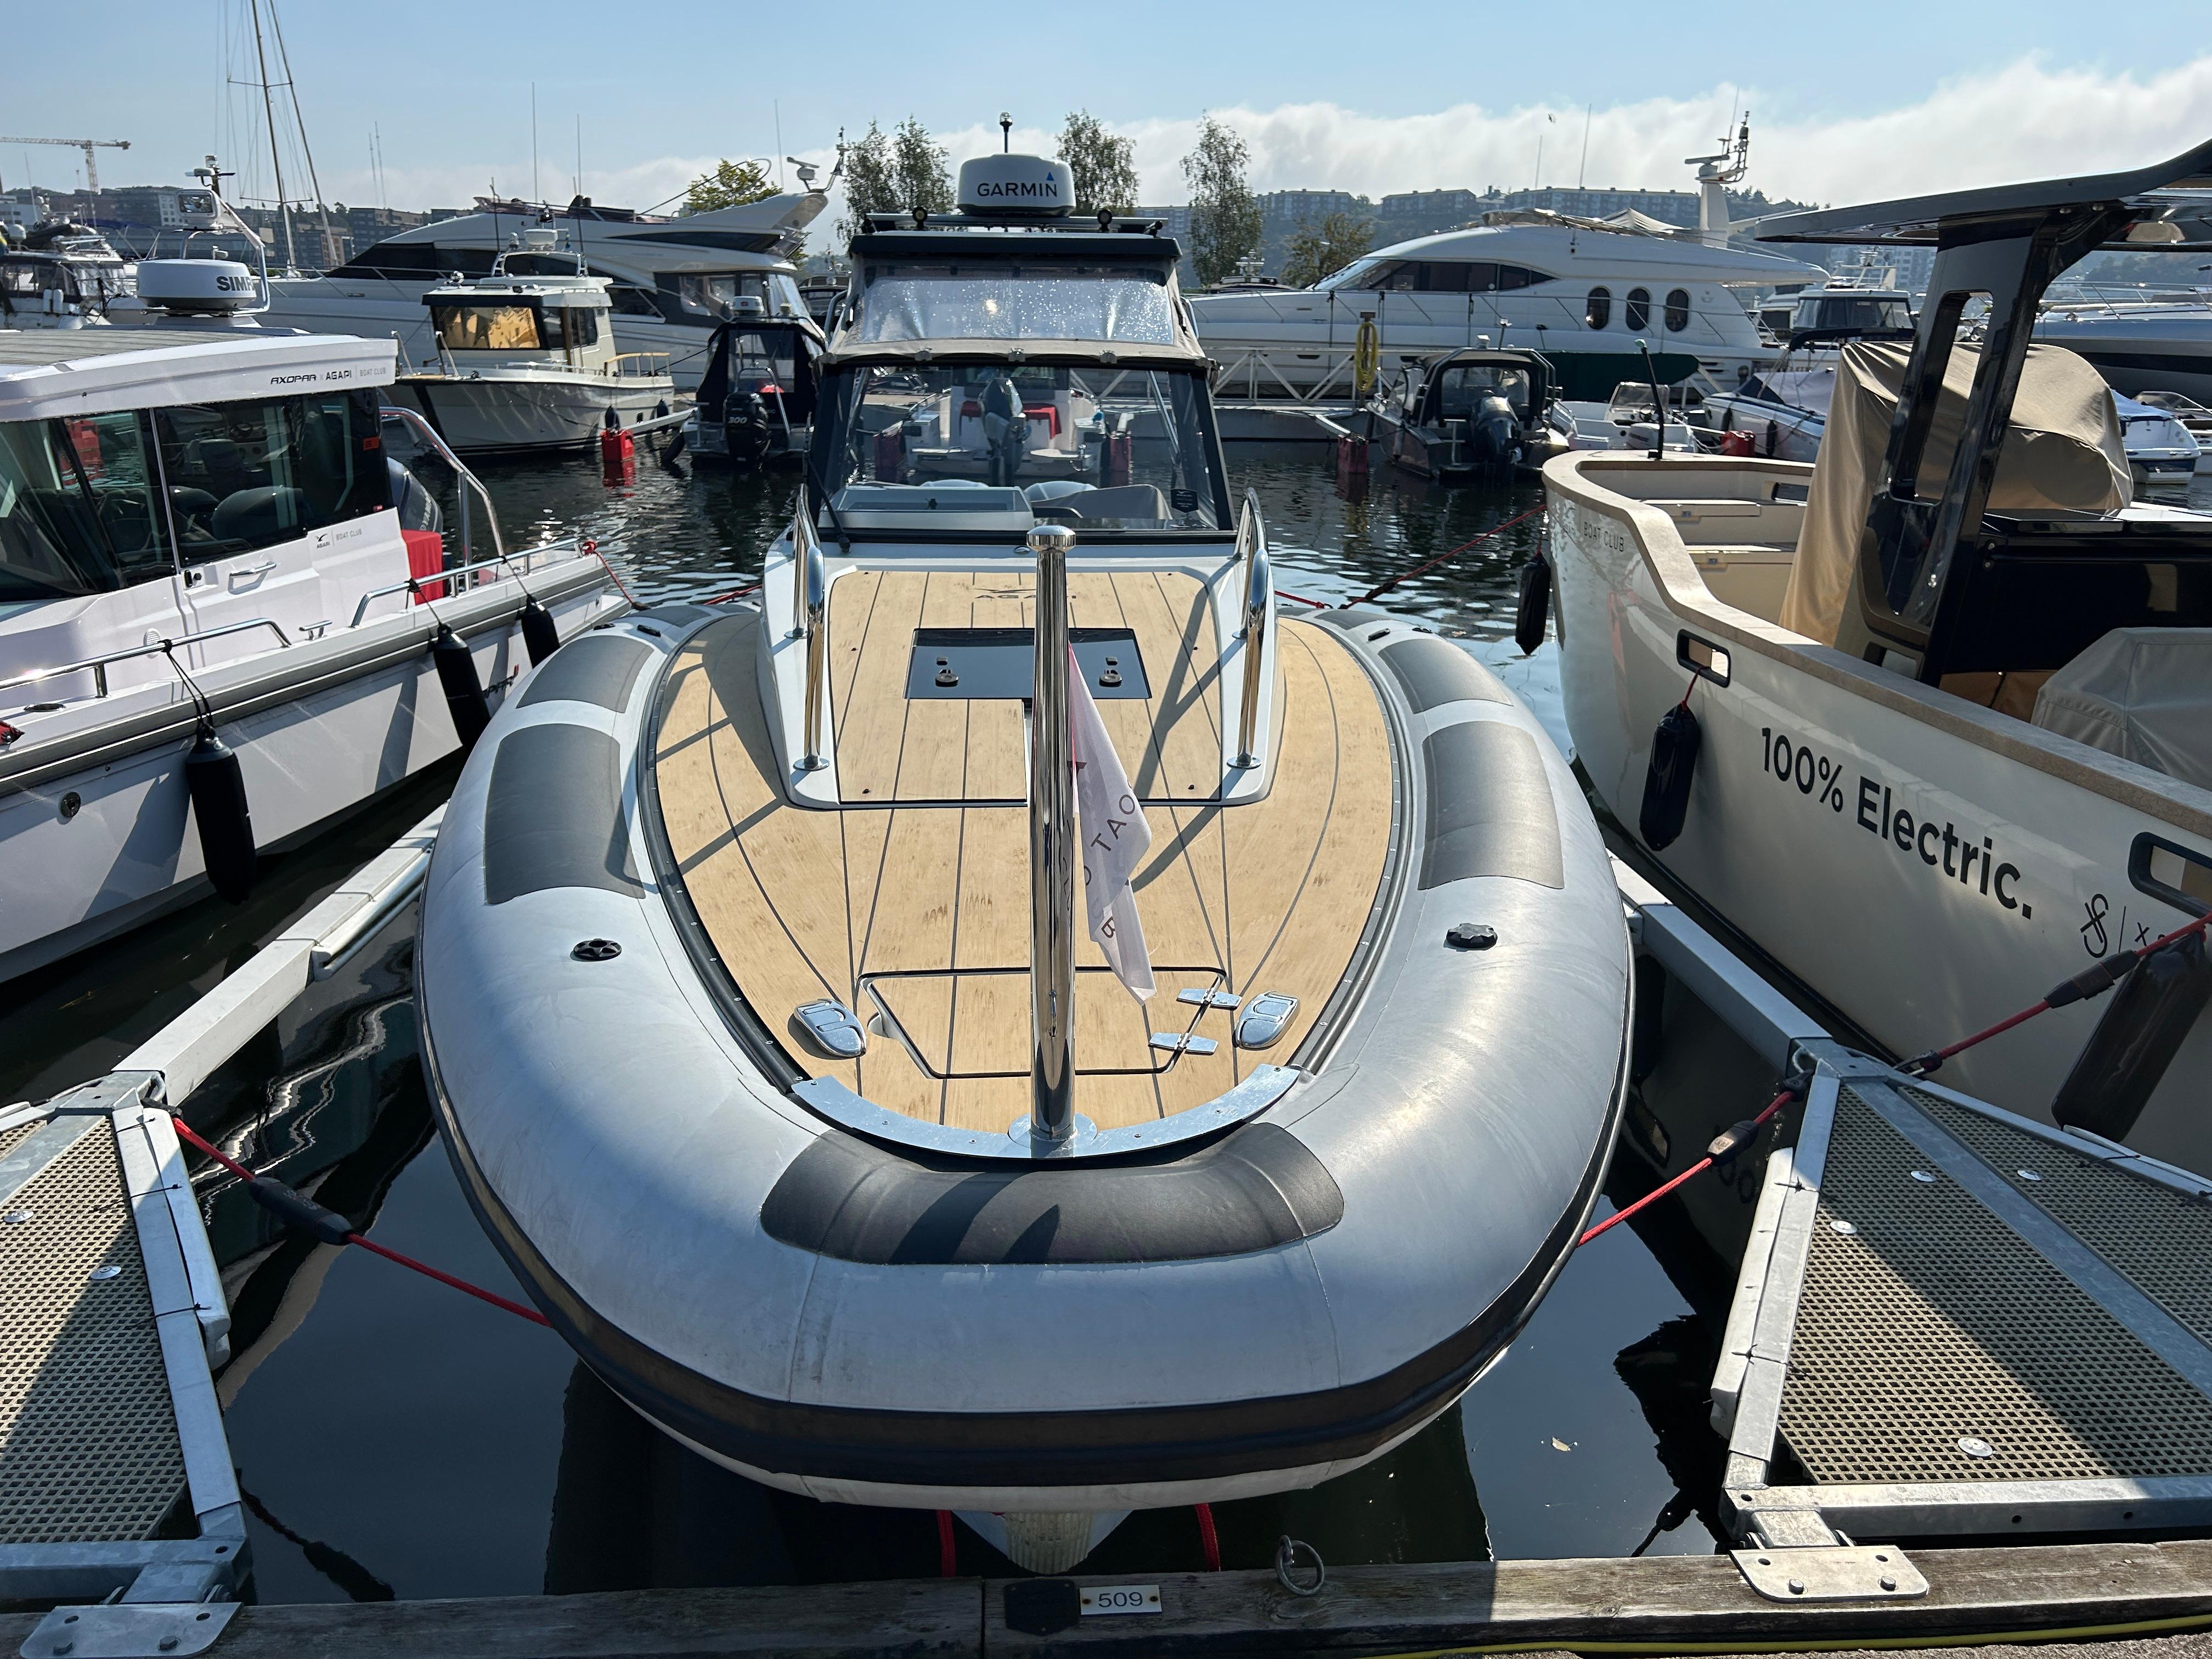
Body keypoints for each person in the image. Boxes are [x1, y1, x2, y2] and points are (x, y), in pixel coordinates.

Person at [980, 373, 1023, 487]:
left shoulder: (990, 416)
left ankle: (998, 483)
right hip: (1006, 449)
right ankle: (1006, 483)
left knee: (999, 455)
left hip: (1000, 449)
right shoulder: (994, 417)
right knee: (1004, 459)